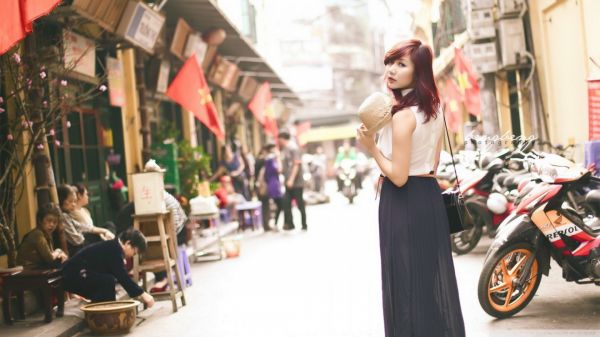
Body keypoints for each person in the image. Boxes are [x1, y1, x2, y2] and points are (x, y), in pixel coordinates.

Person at [356, 39, 465, 336]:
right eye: (390, 62)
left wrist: (372, 149)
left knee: (404, 285)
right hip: (428, 198)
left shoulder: (403, 116)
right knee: (426, 284)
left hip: (402, 201)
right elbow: (435, 161)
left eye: (401, 64)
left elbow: (399, 176)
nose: (391, 69)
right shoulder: (434, 109)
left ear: (418, 73)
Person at [61, 228, 155, 307]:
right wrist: (142, 294)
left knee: (108, 281)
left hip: (78, 273)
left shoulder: (114, 247)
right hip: (71, 275)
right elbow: (123, 277)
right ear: (128, 243)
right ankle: (102, 312)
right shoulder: (115, 249)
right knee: (107, 281)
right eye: (134, 252)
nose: (133, 255)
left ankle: (105, 311)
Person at [57, 184, 114, 256]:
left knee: (107, 227)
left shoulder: (70, 214)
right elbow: (77, 240)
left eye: (75, 201)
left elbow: (84, 227)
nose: (74, 204)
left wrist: (104, 232)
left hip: (80, 244)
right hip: (75, 250)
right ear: (62, 200)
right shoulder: (64, 216)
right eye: (70, 201)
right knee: (96, 238)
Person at [17, 203, 68, 270]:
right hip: (26, 271)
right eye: (49, 220)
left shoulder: (47, 234)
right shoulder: (37, 234)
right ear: (40, 220)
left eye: (55, 222)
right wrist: (58, 251)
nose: (52, 224)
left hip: (36, 269)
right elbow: (50, 259)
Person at [278, 131, 307, 231]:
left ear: (282, 138)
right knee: (286, 203)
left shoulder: (293, 148)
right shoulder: (285, 149)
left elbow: (296, 164)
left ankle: (304, 224)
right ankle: (290, 224)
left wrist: (291, 179)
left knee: (300, 204)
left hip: (296, 183)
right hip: (288, 182)